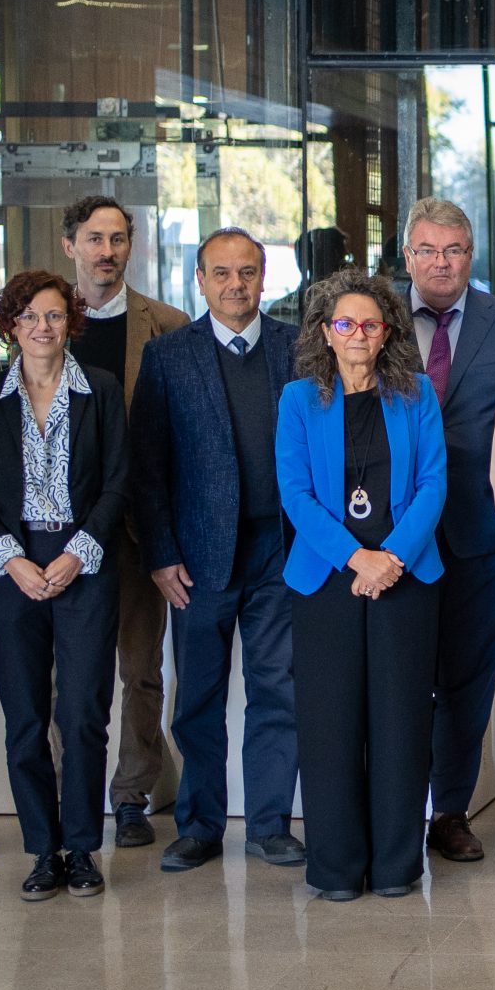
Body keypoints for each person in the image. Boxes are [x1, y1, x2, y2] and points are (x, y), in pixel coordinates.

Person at [130, 227, 307, 874]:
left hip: (279, 552)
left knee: (277, 690)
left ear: (264, 279)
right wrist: (160, 552)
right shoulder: (168, 356)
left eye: (248, 272)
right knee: (198, 697)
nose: (237, 285)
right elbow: (148, 466)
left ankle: (269, 825)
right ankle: (200, 826)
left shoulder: (298, 349)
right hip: (197, 559)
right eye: (223, 273)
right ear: (200, 281)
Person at [0, 270, 131, 903]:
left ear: (71, 323)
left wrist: (78, 552)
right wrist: (12, 560)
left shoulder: (100, 390)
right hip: (14, 567)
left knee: (83, 712)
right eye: (28, 316)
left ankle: (81, 848)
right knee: (26, 716)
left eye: (54, 315)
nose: (42, 327)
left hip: (85, 562)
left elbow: (118, 481)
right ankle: (42, 850)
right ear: (10, 325)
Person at [275, 271, 447, 900]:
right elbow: (295, 493)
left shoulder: (416, 394)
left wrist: (391, 557)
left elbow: (433, 483)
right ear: (325, 332)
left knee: (401, 722)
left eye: (369, 324)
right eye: (344, 323)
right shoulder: (299, 399)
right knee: (331, 725)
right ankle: (337, 869)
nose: (357, 334)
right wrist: (357, 559)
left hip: (406, 579)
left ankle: (398, 866)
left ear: (387, 334)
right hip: (326, 582)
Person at [398, 197, 495, 864]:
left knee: (465, 683)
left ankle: (449, 812)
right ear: (407, 256)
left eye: (453, 251)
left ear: (470, 256)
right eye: (427, 250)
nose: (441, 263)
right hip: (391, 537)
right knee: (397, 679)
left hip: (481, 534)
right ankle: (395, 810)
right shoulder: (375, 317)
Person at [56, 194, 190, 850]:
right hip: (62, 529)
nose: (106, 251)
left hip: (138, 528)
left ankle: (133, 794)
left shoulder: (166, 324)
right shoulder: (44, 319)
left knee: (141, 670)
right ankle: (71, 792)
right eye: (94, 238)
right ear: (70, 246)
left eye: (117, 239)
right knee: (71, 675)